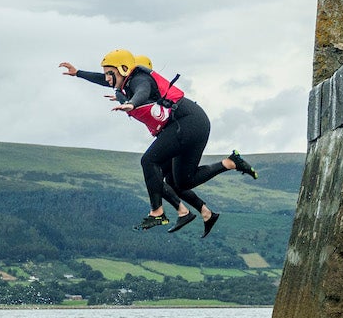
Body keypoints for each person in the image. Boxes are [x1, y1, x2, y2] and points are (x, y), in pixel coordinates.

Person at [58, 49, 256, 235]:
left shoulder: (139, 79)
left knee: (149, 162)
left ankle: (158, 213)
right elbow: (106, 81)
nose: (108, 79)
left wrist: (131, 104)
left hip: (188, 123)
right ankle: (230, 163)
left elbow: (142, 91)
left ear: (124, 70)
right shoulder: (126, 83)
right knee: (182, 180)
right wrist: (78, 73)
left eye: (110, 74)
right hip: (191, 124)